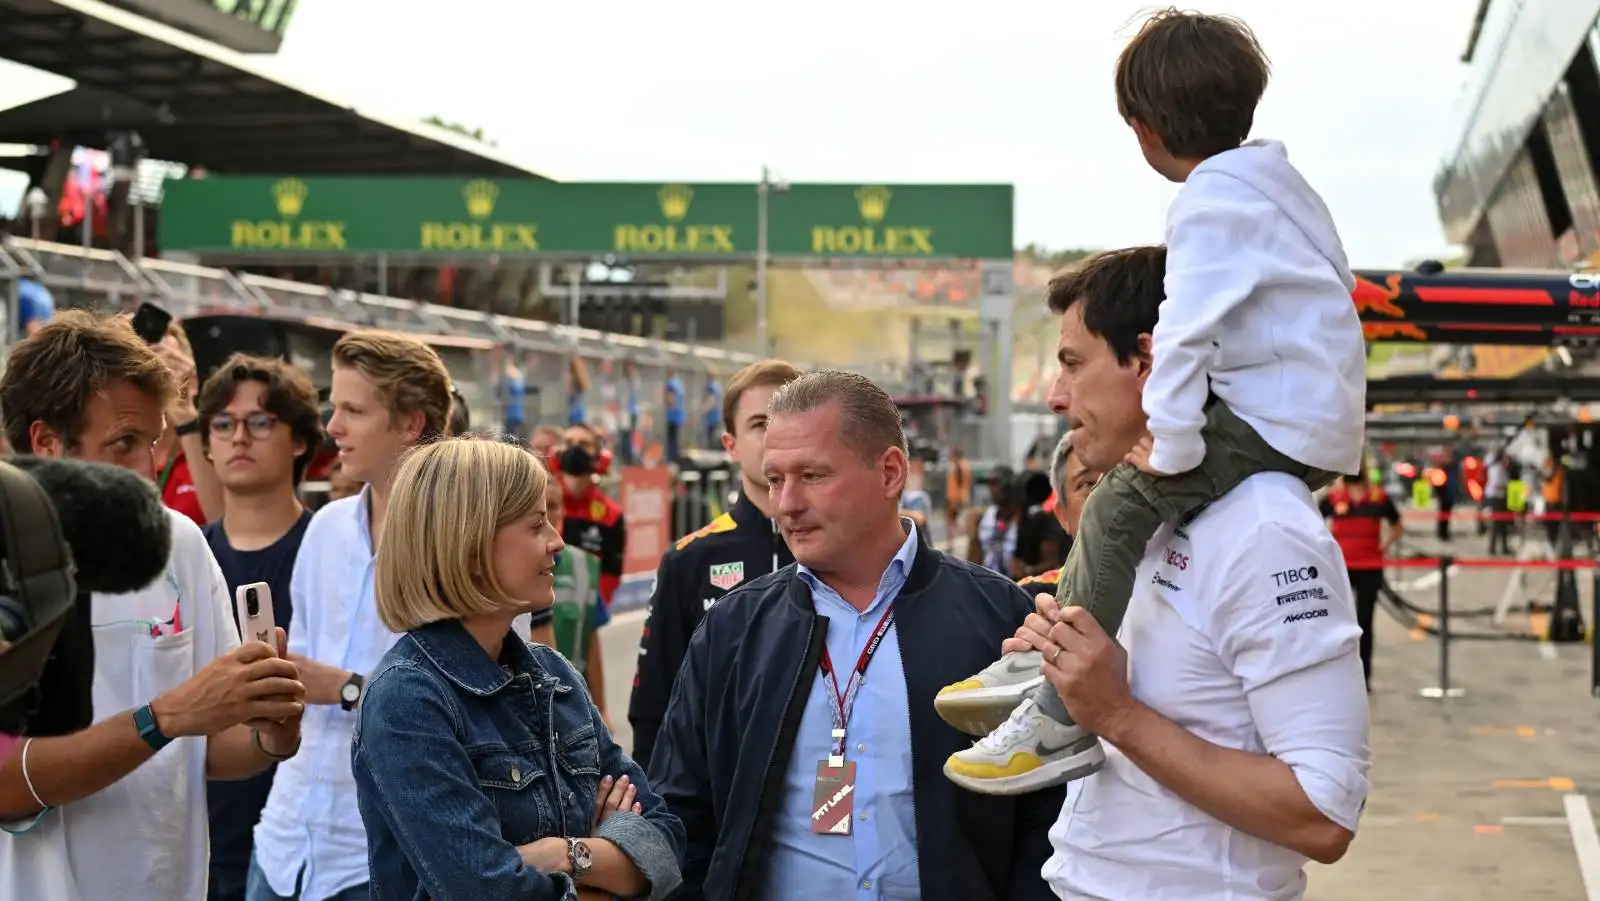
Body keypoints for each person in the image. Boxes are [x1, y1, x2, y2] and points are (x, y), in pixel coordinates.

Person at [940, 9, 1366, 794]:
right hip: (1306, 412)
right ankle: (1051, 659)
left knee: (1115, 504)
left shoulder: (1209, 203)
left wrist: (1170, 438)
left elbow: (1187, 324)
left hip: (1273, 421)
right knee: (1130, 511)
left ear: (1141, 128)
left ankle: (1060, 708)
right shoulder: (1286, 191)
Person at [992, 246, 1369, 896]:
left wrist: (1115, 712)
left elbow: (1324, 811)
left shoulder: (1263, 528)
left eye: (1072, 365)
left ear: (1146, 361)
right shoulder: (1147, 509)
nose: (1056, 398)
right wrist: (1058, 662)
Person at [649, 370, 1063, 900]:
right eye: (775, 479)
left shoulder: (998, 617)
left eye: (813, 475)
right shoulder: (734, 630)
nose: (786, 504)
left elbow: (1045, 817)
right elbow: (683, 816)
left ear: (890, 472)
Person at [0, 312, 305, 901]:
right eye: (123, 444)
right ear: (46, 442)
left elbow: (208, 749)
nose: (147, 468)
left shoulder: (179, 542)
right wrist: (164, 716)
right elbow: (9, 783)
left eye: (154, 441)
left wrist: (271, 733)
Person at [351, 438, 685, 900]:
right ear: (468, 545)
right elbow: (489, 891)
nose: (557, 541)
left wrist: (562, 854)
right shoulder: (408, 700)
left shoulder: (555, 676)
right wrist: (608, 865)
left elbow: (665, 846)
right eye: (535, 525)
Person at [250, 330, 453, 901]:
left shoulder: (466, 546)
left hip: (385, 860)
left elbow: (486, 709)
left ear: (411, 423)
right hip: (284, 845)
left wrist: (345, 688)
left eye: (353, 410)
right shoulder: (326, 527)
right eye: (333, 406)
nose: (331, 426)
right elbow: (304, 671)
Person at [628, 358, 800, 769]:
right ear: (731, 444)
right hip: (716, 798)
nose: (774, 436)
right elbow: (654, 703)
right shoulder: (689, 559)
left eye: (788, 420)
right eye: (760, 424)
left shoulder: (842, 550)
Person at [196, 354, 323, 901]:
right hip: (201, 842)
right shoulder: (184, 555)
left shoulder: (333, 549)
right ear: (205, 443)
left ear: (299, 440)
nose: (238, 436)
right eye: (222, 424)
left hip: (309, 850)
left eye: (261, 421)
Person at [519, 476, 611, 725]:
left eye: (555, 504)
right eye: (538, 515)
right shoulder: (513, 573)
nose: (551, 514)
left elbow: (592, 642)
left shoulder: (585, 566)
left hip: (570, 704)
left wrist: (601, 710)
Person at [1320, 473, 1401, 691]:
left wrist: (1385, 545)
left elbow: (1397, 523)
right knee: (1337, 624)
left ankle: (1363, 677)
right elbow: (1313, 522)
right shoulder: (1333, 497)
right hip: (1341, 569)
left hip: (1370, 568)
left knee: (1365, 623)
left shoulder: (1378, 498)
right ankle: (1339, 676)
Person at [152, 322, 224, 525]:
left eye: (168, 365)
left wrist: (183, 411)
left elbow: (224, 525)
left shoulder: (221, 442)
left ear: (192, 380)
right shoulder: (110, 441)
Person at [557, 422, 627, 606]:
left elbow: (611, 574)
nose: (575, 449)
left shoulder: (611, 515)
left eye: (583, 444)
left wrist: (589, 612)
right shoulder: (538, 502)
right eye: (569, 442)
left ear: (599, 457)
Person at [945, 445, 973, 537]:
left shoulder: (958, 466)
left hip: (955, 497)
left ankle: (952, 542)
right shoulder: (966, 465)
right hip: (962, 496)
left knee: (953, 521)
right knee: (956, 520)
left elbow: (959, 481)